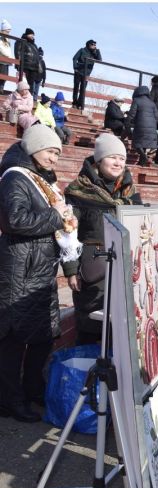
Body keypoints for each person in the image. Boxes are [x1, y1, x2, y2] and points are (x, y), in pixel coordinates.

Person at [0, 124, 77, 422]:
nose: (55, 158)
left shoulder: (39, 179)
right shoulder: (14, 178)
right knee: (13, 339)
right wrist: (56, 215)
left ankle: (32, 389)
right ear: (33, 148)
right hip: (20, 270)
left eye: (58, 152)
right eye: (50, 151)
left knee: (42, 336)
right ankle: (9, 400)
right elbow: (15, 221)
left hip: (40, 269)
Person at [62, 133, 142, 345]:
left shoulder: (130, 191)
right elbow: (68, 232)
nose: (118, 163)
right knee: (92, 324)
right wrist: (71, 271)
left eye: (122, 158)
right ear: (98, 160)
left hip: (125, 266)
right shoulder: (78, 190)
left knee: (120, 328)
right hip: (94, 269)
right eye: (112, 157)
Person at [126, 85, 158, 167]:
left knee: (137, 142)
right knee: (143, 144)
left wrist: (128, 123)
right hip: (151, 127)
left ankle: (144, 157)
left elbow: (132, 114)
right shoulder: (152, 103)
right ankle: (142, 163)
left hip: (140, 125)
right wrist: (152, 124)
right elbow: (156, 116)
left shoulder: (137, 100)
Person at [72, 40, 101, 110]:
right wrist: (75, 68)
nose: (94, 45)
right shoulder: (82, 50)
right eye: (92, 44)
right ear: (88, 44)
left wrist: (97, 51)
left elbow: (99, 60)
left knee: (83, 89)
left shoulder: (94, 53)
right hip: (78, 71)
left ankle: (79, 104)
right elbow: (74, 58)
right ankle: (74, 103)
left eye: (95, 44)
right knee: (76, 88)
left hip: (86, 74)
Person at [13, 28, 42, 100]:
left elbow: (37, 57)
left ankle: (29, 99)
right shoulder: (21, 41)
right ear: (27, 34)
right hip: (25, 66)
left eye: (33, 35)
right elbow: (17, 52)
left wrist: (38, 66)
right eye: (31, 34)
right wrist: (18, 64)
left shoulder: (34, 45)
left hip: (33, 68)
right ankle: (20, 99)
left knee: (31, 85)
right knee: (23, 84)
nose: (33, 36)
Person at [0, 20, 13, 94]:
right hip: (2, 59)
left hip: (6, 61)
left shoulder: (7, 39)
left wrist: (9, 57)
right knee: (2, 75)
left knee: (5, 76)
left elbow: (8, 49)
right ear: (3, 30)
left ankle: (1, 88)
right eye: (7, 31)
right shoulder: (0, 38)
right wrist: (8, 56)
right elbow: (1, 48)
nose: (8, 33)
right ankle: (0, 88)